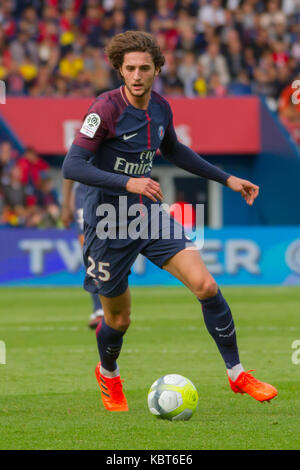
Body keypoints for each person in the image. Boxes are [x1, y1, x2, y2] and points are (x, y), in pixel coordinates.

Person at [62, 30, 277, 412]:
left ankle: (237, 374)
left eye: (145, 67)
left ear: (157, 69)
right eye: (130, 68)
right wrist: (129, 181)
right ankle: (108, 373)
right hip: (107, 222)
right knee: (120, 319)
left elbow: (174, 150)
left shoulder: (160, 108)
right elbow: (72, 165)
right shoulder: (104, 110)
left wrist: (227, 178)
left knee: (206, 285)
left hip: (146, 216)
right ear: (120, 70)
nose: (137, 75)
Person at [61, 178, 104, 329]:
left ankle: (113, 305)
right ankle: (99, 309)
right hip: (85, 192)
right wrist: (66, 206)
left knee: (110, 249)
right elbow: (69, 171)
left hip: (111, 189)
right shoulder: (81, 153)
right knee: (90, 250)